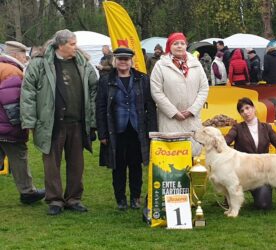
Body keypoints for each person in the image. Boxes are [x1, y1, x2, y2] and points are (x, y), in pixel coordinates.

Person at [20, 29, 98, 215]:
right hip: (51, 123)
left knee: (77, 164)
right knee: (51, 164)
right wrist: (29, 122)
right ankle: (55, 200)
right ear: (60, 45)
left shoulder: (84, 64)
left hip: (77, 123)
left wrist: (93, 121)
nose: (75, 47)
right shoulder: (39, 64)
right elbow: (28, 94)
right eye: (72, 44)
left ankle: (74, 199)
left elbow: (94, 91)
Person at [96, 47, 157, 210]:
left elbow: (150, 107)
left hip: (138, 130)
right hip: (115, 130)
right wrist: (102, 132)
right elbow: (100, 107)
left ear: (131, 61)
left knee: (136, 165)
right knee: (118, 166)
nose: (123, 62)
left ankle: (135, 198)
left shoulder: (143, 79)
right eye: (120, 59)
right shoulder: (105, 80)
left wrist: (152, 130)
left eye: (126, 59)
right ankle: (120, 199)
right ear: (114, 61)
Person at [225, 97, 276, 209]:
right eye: (242, 111)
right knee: (233, 193)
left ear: (253, 108)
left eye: (247, 108)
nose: (245, 112)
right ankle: (232, 195)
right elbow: (226, 141)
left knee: (264, 205)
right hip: (242, 174)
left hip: (262, 173)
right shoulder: (237, 128)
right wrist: (214, 141)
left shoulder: (266, 128)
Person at [0, 41, 45, 204]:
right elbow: (12, 102)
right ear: (15, 54)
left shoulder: (2, 67)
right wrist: (21, 124)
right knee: (19, 157)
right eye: (24, 55)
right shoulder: (12, 71)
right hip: (7, 127)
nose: (26, 59)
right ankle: (28, 192)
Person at [150, 32, 209, 156]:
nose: (179, 46)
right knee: (174, 156)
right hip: (170, 119)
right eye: (175, 43)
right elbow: (156, 91)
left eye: (182, 43)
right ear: (169, 46)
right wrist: (173, 112)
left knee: (193, 155)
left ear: (186, 46)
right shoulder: (160, 65)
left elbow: (204, 88)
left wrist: (192, 110)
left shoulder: (196, 64)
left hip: (192, 119)